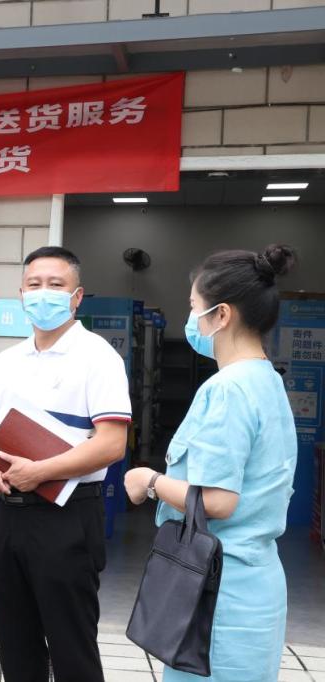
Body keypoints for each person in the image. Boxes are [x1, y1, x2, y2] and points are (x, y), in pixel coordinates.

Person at [125, 244, 299, 682]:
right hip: (254, 587)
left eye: (193, 307)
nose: (191, 321)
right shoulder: (268, 380)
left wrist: (149, 480)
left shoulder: (226, 389)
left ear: (221, 315)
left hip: (215, 595)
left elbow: (218, 501)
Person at [0, 246, 132, 682]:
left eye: (56, 285)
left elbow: (112, 444)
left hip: (67, 518)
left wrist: (40, 472)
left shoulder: (98, 357)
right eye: (34, 284)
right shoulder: (7, 361)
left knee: (72, 648)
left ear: (76, 297)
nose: (44, 293)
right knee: (16, 647)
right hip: (7, 517)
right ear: (22, 295)